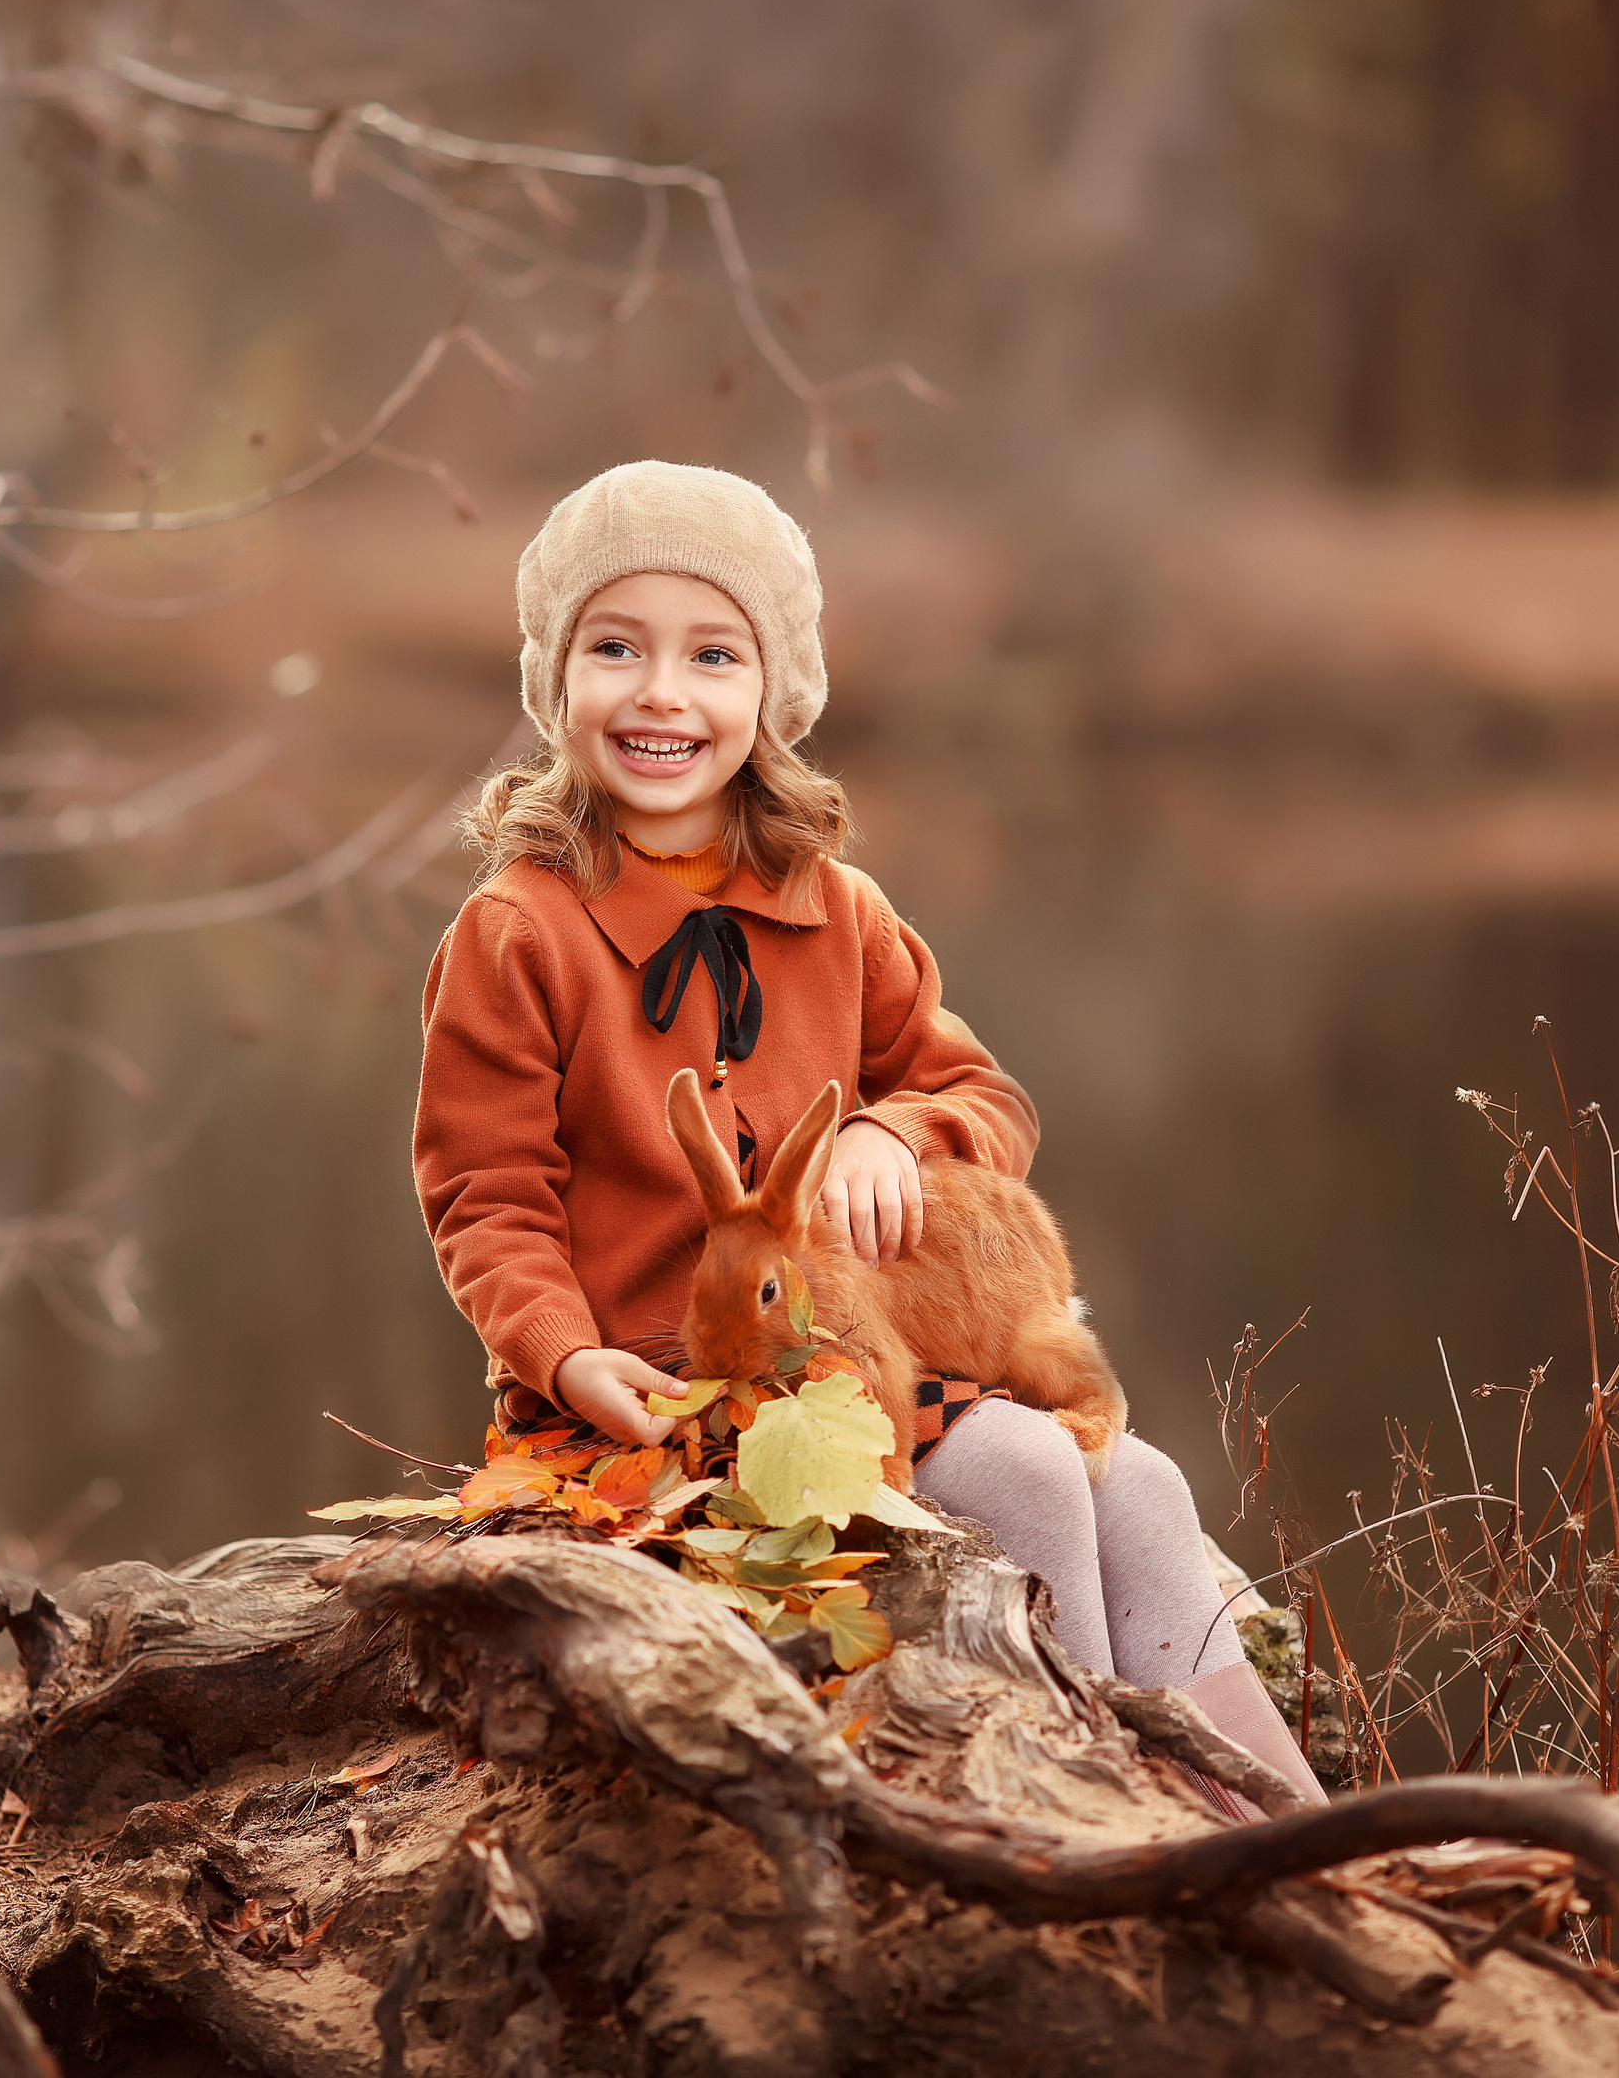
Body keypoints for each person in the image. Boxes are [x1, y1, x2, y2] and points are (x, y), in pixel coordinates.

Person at [412, 460, 1324, 1812]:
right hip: (665, 1408)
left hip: (861, 1369)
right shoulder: (518, 933)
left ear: (772, 696)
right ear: (558, 685)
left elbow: (989, 1100)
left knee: (1136, 1483)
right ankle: (1078, 1828)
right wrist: (570, 1355)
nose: (663, 693)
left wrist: (900, 1131)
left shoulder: (836, 911)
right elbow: (488, 1199)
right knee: (1021, 1462)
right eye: (618, 648)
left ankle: (1304, 1846)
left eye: (713, 655)